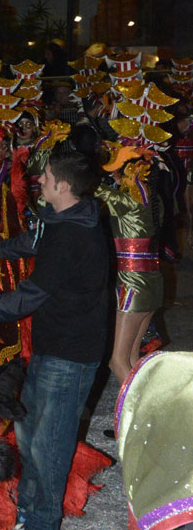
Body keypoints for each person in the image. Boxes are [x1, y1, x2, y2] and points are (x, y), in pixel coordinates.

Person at [0, 146, 109, 530]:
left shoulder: (73, 234)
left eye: (47, 176)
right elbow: (31, 240)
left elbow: (28, 297)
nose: (41, 179)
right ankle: (31, 511)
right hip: (53, 344)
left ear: (64, 185)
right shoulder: (67, 216)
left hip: (70, 353)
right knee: (29, 431)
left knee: (49, 444)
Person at [97, 146, 164, 385]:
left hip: (132, 287)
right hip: (152, 285)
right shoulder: (151, 199)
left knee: (117, 360)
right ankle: (145, 408)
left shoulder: (125, 201)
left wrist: (105, 167)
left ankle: (136, 415)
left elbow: (86, 185)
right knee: (133, 357)